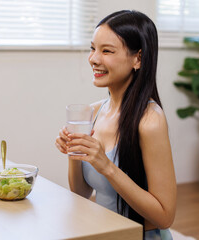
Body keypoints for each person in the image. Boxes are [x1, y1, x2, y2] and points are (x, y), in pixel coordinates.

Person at [55, 10, 176, 240]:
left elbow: (165, 217)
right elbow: (81, 192)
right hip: (105, 233)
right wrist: (75, 149)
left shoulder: (150, 120)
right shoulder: (93, 112)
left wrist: (106, 165)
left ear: (138, 59)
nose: (94, 59)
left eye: (107, 51)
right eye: (93, 48)